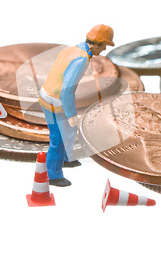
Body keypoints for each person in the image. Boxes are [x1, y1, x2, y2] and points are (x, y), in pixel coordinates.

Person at [38, 24, 115, 186]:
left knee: (70, 130)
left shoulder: (72, 49)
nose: (103, 51)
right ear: (98, 43)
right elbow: (67, 90)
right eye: (104, 46)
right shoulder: (81, 59)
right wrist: (71, 114)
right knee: (57, 138)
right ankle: (53, 175)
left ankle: (66, 158)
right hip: (54, 101)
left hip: (51, 94)